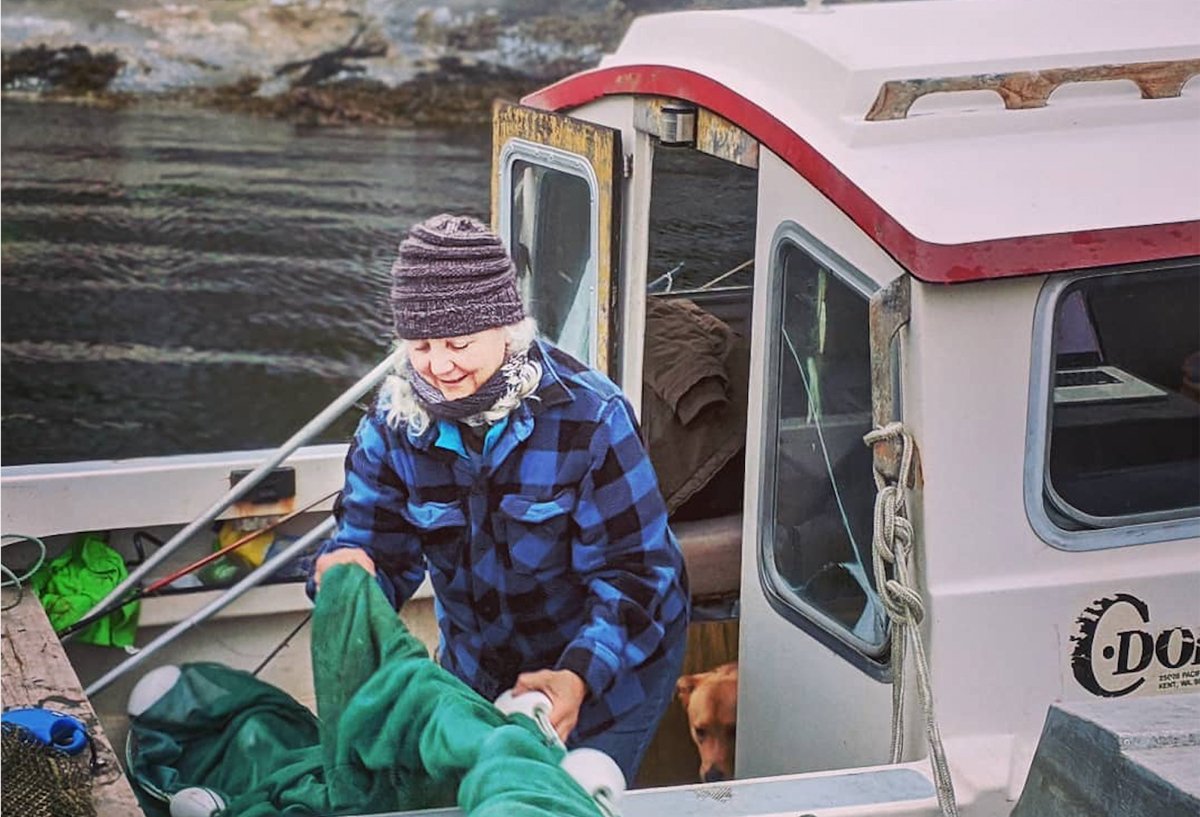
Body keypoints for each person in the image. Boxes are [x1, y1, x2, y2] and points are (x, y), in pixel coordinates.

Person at [309, 213, 690, 784]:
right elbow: (374, 546)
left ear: (508, 329)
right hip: (476, 669)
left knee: (569, 791)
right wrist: (349, 573)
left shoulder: (592, 419)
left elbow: (635, 572)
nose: (439, 367)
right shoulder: (391, 425)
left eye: (458, 342)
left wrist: (578, 676)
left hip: (611, 663)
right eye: (421, 345)